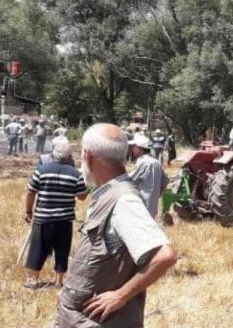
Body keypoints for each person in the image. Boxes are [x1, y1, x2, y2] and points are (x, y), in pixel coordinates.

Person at [54, 123, 177, 327]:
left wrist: (120, 295)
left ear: (88, 156)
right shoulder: (109, 194)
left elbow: (165, 256)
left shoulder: (123, 201)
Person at [24, 139, 87, 289]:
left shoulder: (41, 170)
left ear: (53, 155)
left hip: (43, 218)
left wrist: (28, 211)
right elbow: (82, 196)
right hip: (64, 219)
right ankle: (59, 281)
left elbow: (31, 192)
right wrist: (88, 186)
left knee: (38, 248)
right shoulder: (75, 174)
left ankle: (34, 280)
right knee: (62, 249)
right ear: (68, 157)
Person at [129, 134, 169, 218]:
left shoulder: (143, 162)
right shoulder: (156, 162)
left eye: (134, 146)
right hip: (153, 204)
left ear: (140, 149)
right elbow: (165, 181)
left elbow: (130, 181)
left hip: (141, 204)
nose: (132, 148)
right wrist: (156, 196)